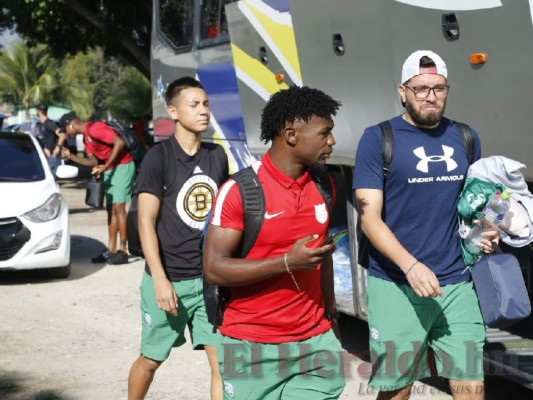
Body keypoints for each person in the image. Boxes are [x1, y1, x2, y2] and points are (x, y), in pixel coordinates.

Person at [353, 50, 499, 400]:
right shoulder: (378, 139)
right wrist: (411, 266)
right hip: (396, 283)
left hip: (456, 284)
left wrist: (485, 227)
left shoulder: (465, 137)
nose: (430, 96)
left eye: (438, 88)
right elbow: (369, 218)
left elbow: (472, 203)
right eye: (420, 89)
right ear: (402, 91)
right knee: (397, 389)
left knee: (471, 386)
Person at [203, 86, 346, 399]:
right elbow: (213, 268)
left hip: (313, 343)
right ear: (291, 134)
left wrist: (331, 317)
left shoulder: (324, 185)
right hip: (251, 346)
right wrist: (286, 263)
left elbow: (321, 259)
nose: (332, 141)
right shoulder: (240, 191)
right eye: (325, 133)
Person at [127, 77, 228, 400]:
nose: (203, 111)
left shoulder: (217, 156)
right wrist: (159, 279)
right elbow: (146, 221)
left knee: (221, 364)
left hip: (208, 281)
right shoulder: (159, 157)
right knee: (152, 359)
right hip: (169, 279)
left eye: (206, 104)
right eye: (194, 105)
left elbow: (224, 217)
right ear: (173, 111)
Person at [59, 111, 135, 265]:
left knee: (119, 208)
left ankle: (123, 251)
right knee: (110, 210)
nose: (66, 134)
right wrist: (71, 157)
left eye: (65, 130)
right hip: (110, 169)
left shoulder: (95, 129)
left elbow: (119, 142)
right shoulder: (86, 138)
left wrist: (105, 166)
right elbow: (92, 162)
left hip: (123, 166)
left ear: (71, 125)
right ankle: (111, 250)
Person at [36, 103, 63, 176]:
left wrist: (58, 147)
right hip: (45, 155)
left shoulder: (49, 123)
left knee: (51, 178)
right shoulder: (41, 124)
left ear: (38, 111)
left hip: (51, 156)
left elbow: (62, 134)